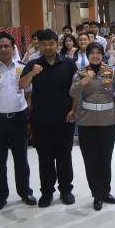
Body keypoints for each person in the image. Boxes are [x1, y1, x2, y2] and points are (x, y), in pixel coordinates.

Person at [19, 29, 77, 207]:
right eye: (44, 44)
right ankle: (47, 192)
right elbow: (21, 85)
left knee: (64, 156)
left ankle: (66, 190)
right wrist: (32, 73)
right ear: (39, 45)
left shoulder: (69, 64)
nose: (48, 47)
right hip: (41, 120)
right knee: (45, 158)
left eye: (51, 43)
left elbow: (76, 90)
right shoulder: (33, 64)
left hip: (64, 119)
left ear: (57, 44)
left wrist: (73, 110)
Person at [0, 32, 36, 212]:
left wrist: (29, 119)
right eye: (0, 46)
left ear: (13, 48)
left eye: (7, 46)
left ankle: (25, 192)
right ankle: (0, 197)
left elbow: (28, 94)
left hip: (19, 119)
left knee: (21, 160)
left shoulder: (23, 67)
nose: (4, 49)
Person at [70, 42, 115, 211]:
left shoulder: (110, 71)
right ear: (87, 55)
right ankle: (96, 194)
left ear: (103, 54)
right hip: (87, 122)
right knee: (91, 159)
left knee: (105, 158)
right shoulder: (80, 72)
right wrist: (84, 81)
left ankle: (106, 191)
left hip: (108, 121)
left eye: (98, 52)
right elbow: (72, 93)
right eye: (92, 53)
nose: (95, 56)